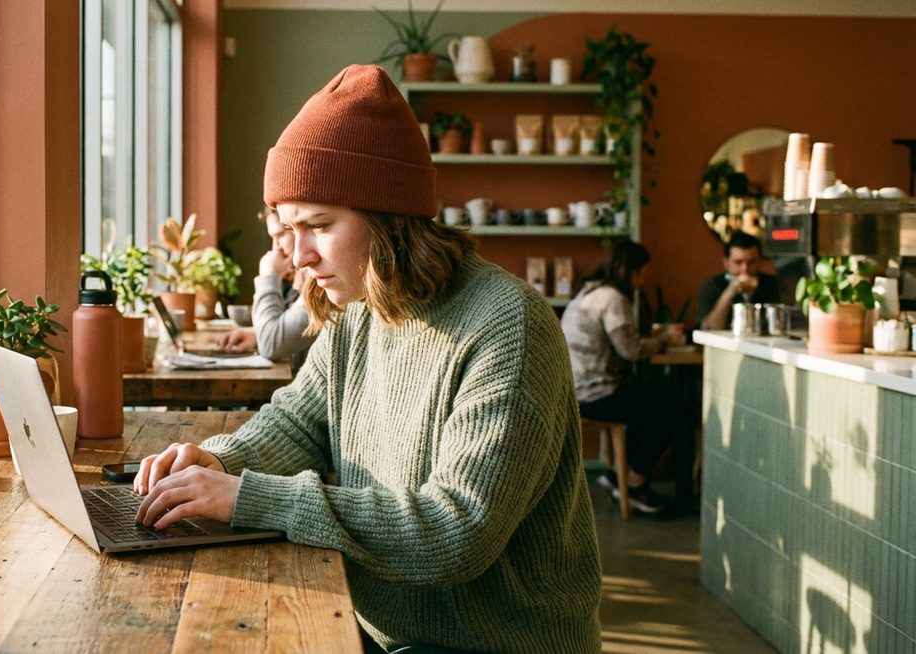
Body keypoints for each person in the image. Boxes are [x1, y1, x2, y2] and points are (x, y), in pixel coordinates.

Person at [131, 64, 601, 652]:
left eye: (319, 226)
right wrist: (217, 462)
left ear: (387, 218)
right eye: (288, 228)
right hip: (378, 631)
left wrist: (248, 497)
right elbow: (299, 421)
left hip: (490, 644)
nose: (297, 256)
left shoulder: (508, 324)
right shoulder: (360, 305)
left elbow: (457, 531)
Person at [560, 239, 685, 515]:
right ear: (629, 271)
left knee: (647, 401)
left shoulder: (587, 292)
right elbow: (632, 351)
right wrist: (666, 337)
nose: (641, 281)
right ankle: (635, 482)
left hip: (573, 391)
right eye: (640, 274)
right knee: (669, 407)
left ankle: (619, 476)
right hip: (594, 394)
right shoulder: (613, 298)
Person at [215, 207, 315, 361]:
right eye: (272, 238)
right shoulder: (303, 276)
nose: (275, 247)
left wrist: (268, 276)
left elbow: (270, 345)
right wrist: (257, 334)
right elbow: (276, 334)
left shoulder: (321, 283)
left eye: (280, 235)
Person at [696, 230, 781, 330]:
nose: (745, 269)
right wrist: (730, 292)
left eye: (751, 262)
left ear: (760, 261)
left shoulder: (773, 284)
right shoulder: (712, 286)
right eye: (738, 262)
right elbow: (710, 328)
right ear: (726, 263)